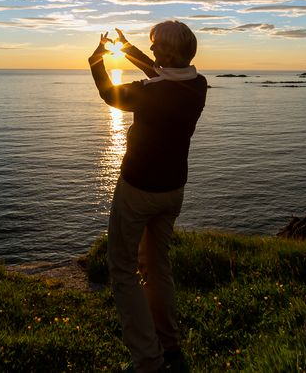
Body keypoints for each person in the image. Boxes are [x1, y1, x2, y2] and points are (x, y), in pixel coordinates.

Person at [88, 20, 208, 373]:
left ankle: (148, 361)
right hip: (173, 191)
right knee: (157, 266)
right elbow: (161, 72)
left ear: (169, 52)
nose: (152, 49)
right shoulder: (198, 85)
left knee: (122, 270)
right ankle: (170, 349)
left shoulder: (149, 92)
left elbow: (110, 94)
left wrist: (96, 60)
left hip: (139, 189)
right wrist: (126, 49)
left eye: (155, 45)